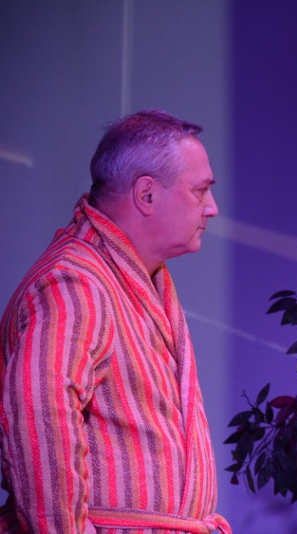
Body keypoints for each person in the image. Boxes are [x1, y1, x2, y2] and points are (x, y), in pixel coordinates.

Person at [0, 109, 230, 533]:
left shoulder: (134, 279)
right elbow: (39, 419)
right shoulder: (75, 283)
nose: (212, 208)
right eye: (200, 191)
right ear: (147, 195)